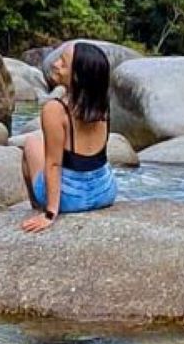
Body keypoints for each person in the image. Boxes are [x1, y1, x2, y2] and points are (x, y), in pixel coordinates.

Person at [20, 43, 117, 233]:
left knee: (31, 144)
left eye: (63, 63)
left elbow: (54, 164)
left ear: (77, 77)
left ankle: (39, 208)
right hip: (104, 192)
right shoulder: (102, 105)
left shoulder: (55, 109)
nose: (55, 64)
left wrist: (50, 213)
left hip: (70, 199)